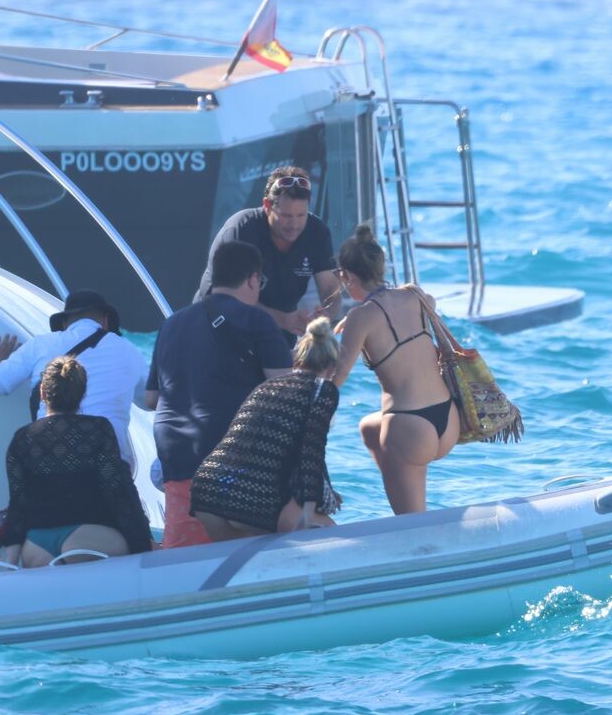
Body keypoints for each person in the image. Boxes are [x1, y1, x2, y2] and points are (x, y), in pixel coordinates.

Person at [144, 240, 293, 546]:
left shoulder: (172, 323)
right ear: (253, 279)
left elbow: (152, 399)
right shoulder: (256, 320)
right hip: (229, 456)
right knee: (258, 539)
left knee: (186, 551)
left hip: (176, 455)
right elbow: (284, 393)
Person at [331, 224, 458, 515]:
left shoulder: (360, 317)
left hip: (409, 427)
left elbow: (337, 378)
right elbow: (429, 303)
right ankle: (401, 480)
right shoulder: (415, 296)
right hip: (448, 420)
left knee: (411, 526)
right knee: (369, 428)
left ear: (348, 276)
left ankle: (404, 487)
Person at [191, 318, 343, 542]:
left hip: (208, 491)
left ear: (297, 359)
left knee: (245, 559)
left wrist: (322, 492)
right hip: (252, 500)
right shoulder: (322, 390)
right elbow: (311, 454)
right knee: (333, 538)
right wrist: (311, 510)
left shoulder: (268, 385)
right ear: (332, 367)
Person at [0, 357, 154, 568]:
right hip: (88, 537)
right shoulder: (98, 429)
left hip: (37, 544)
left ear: (42, 393)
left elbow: (18, 504)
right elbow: (116, 490)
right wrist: (142, 541)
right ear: (83, 393)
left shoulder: (22, 438)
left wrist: (11, 558)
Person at [0, 288, 148, 468]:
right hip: (110, 467)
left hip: (52, 463)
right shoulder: (129, 351)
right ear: (106, 320)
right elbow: (150, 401)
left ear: (64, 323)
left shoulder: (41, 345)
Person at [194, 166, 340, 334]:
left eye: (301, 215)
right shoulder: (242, 231)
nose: (294, 224)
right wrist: (282, 319)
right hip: (218, 325)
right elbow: (227, 298)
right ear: (267, 206)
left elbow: (330, 287)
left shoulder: (317, 232)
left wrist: (327, 313)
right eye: (286, 216)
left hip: (280, 327)